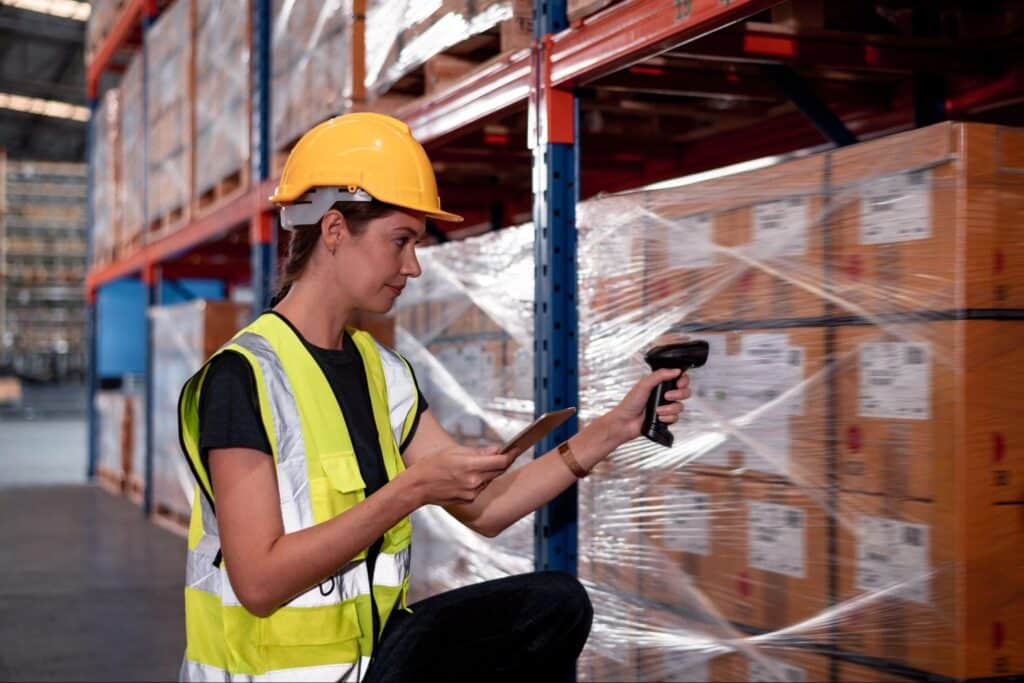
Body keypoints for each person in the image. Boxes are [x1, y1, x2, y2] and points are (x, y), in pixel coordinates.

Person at [176, 113, 691, 682]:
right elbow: (259, 584)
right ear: (334, 229)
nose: (413, 266)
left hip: (367, 663)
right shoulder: (242, 377)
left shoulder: (384, 373)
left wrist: (614, 429)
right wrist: (410, 491)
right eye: (400, 241)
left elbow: (489, 508)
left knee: (554, 604)